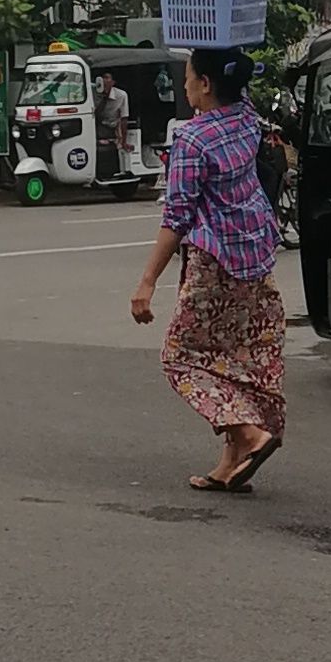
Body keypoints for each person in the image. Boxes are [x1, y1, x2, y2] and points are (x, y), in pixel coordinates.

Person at [130, 45, 286, 489]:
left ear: (206, 84)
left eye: (188, 77)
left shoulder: (193, 140)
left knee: (181, 359)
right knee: (237, 355)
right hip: (256, 258)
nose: (184, 86)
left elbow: (177, 217)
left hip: (215, 264)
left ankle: (249, 433)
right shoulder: (246, 119)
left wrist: (146, 282)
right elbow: (241, 84)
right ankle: (229, 466)